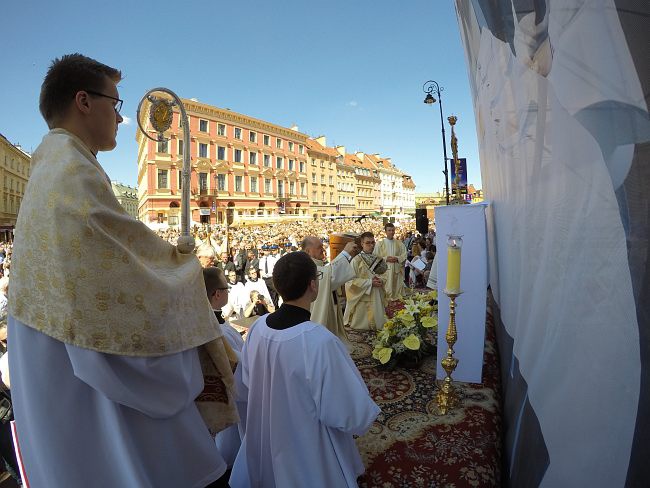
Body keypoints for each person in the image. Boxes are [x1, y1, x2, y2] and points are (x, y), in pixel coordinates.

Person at [7, 54, 237, 488]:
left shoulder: (56, 165)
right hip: (97, 401)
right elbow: (121, 298)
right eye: (115, 103)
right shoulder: (71, 176)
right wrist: (185, 269)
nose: (119, 115)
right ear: (83, 101)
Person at [230, 251, 380, 488]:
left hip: (266, 432)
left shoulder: (258, 328)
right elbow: (347, 408)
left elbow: (247, 380)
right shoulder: (319, 340)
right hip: (307, 445)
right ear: (313, 285)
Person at [203, 267, 244, 471]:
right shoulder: (220, 333)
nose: (228, 292)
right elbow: (241, 369)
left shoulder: (201, 325)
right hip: (230, 400)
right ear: (217, 294)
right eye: (226, 288)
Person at [301, 236, 359, 347]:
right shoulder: (306, 268)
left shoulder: (317, 265)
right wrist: (345, 253)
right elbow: (330, 276)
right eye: (319, 247)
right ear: (308, 251)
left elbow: (328, 274)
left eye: (322, 246)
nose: (323, 250)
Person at [344, 232, 388, 330]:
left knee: (380, 326)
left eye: (373, 242)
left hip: (377, 295)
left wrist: (381, 280)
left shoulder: (378, 259)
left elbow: (384, 275)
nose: (371, 245)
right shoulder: (356, 261)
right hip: (363, 299)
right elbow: (350, 282)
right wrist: (370, 282)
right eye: (368, 243)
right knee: (363, 327)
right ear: (362, 244)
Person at [374, 223, 407, 301]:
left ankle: (396, 300)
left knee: (396, 290)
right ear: (385, 231)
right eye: (389, 230)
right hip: (385, 270)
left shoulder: (399, 243)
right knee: (386, 288)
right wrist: (386, 258)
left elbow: (404, 255)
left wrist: (397, 259)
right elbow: (375, 257)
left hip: (396, 269)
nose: (391, 232)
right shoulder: (380, 244)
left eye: (393, 230)